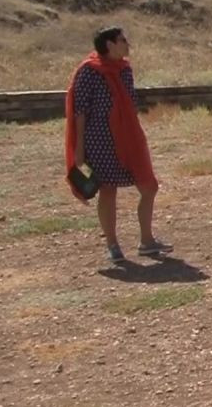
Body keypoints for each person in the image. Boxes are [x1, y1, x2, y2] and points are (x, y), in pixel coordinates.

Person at [64, 26, 172, 264]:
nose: (127, 44)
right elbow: (80, 112)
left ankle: (147, 240)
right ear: (110, 44)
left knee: (149, 186)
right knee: (108, 189)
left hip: (129, 136)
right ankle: (112, 245)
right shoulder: (89, 72)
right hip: (100, 139)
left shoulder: (124, 70)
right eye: (123, 40)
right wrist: (79, 148)